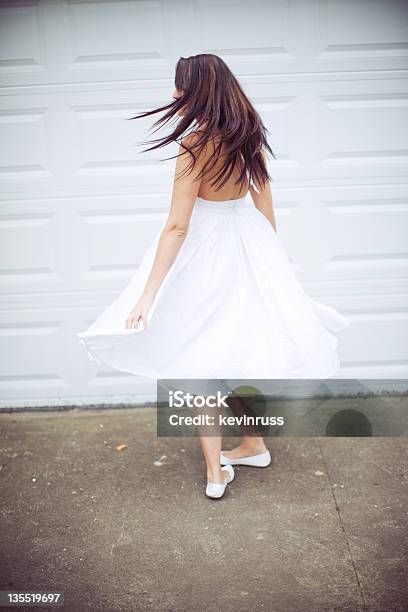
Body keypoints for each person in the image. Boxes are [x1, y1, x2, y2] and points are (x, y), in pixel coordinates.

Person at [78, 53, 350, 499]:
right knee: (235, 347)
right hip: (246, 245)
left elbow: (178, 226)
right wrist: (271, 261)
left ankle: (215, 473)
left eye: (179, 86)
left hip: (205, 254)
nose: (173, 94)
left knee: (199, 357)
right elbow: (265, 204)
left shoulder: (194, 145)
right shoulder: (250, 134)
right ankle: (253, 444)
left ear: (199, 89)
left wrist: (149, 293)